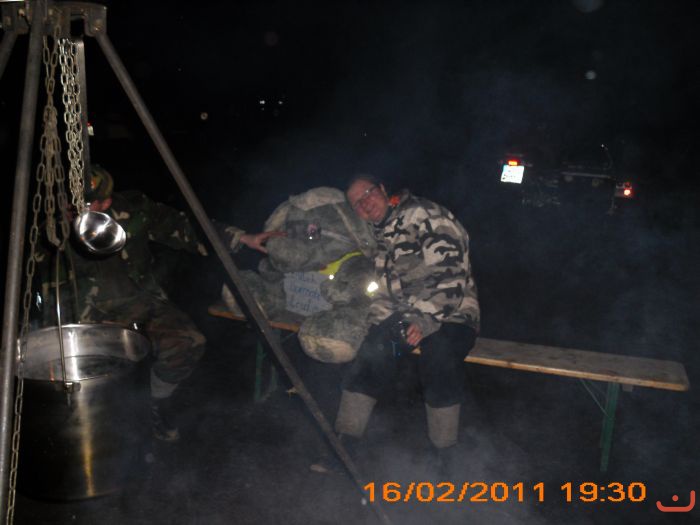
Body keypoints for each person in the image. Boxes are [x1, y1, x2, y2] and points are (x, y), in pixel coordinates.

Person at [36, 165, 279, 441]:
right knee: (87, 379)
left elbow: (182, 226)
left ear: (106, 202)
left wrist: (241, 237)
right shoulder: (49, 228)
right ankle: (87, 430)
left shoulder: (133, 210)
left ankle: (157, 402)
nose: (77, 208)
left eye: (89, 203)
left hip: (138, 302)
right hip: (81, 315)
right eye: (72, 202)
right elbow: (37, 281)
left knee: (188, 342)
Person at [321, 174, 480, 471]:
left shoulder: (424, 214)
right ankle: (345, 446)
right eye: (356, 203)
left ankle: (445, 455)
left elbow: (451, 275)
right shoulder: (379, 237)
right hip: (407, 317)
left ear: (382, 189)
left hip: (453, 312)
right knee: (371, 354)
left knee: (439, 355)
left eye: (367, 193)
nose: (364, 203)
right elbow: (384, 294)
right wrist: (374, 327)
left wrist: (424, 318)